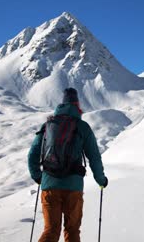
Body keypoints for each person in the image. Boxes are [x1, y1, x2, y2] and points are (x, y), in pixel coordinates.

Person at [28, 87, 108, 242]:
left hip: (49, 185)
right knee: (72, 231)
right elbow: (94, 157)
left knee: (51, 230)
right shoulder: (82, 127)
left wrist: (38, 177)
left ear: (61, 104)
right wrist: (101, 180)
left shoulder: (47, 126)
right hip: (73, 187)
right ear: (77, 105)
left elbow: (32, 154)